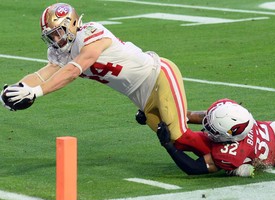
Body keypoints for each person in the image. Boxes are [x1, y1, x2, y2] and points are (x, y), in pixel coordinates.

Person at [0, 3, 209, 155]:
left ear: (71, 23)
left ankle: (233, 150)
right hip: (140, 95)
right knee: (176, 142)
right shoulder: (60, 51)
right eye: (51, 36)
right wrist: (18, 88)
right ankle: (220, 141)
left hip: (156, 74)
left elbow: (73, 70)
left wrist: (37, 92)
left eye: (58, 32)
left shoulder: (90, 32)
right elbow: (44, 73)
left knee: (179, 134)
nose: (56, 40)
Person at [156, 98, 275, 177]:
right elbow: (196, 116)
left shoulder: (232, 152)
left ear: (230, 137)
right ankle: (237, 168)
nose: (207, 127)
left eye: (213, 129)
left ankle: (236, 168)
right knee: (185, 139)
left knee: (183, 140)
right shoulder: (234, 117)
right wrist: (157, 114)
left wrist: (168, 145)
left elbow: (194, 167)